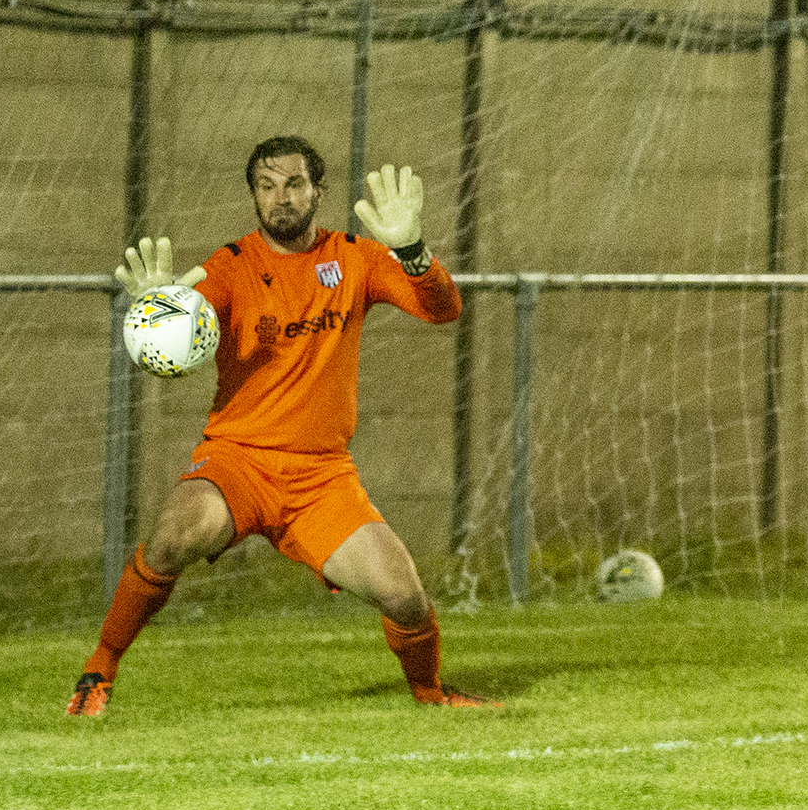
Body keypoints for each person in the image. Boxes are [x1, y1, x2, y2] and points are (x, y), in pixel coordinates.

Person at [65, 136, 494, 715]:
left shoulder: (355, 259)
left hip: (321, 478)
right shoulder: (229, 268)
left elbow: (445, 309)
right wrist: (154, 318)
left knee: (403, 592)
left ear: (318, 190)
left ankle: (430, 694)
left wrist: (411, 249)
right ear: (254, 197)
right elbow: (171, 358)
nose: (280, 198)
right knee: (171, 536)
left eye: (293, 184)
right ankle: (99, 671)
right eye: (266, 187)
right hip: (236, 462)